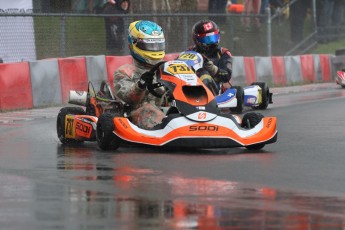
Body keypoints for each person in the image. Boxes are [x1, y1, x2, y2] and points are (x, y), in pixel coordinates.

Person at [113, 20, 166, 129]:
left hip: (167, 111)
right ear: (132, 45)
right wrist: (141, 84)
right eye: (150, 46)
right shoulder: (125, 71)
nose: (154, 50)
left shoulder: (166, 68)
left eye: (157, 45)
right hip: (138, 113)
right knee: (148, 109)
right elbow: (129, 98)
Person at [186, 19, 233, 96]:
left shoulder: (223, 53)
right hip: (189, 84)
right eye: (207, 39)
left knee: (204, 75)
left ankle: (202, 97)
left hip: (215, 90)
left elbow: (226, 76)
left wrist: (212, 68)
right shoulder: (190, 52)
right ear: (197, 39)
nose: (212, 42)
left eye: (213, 38)